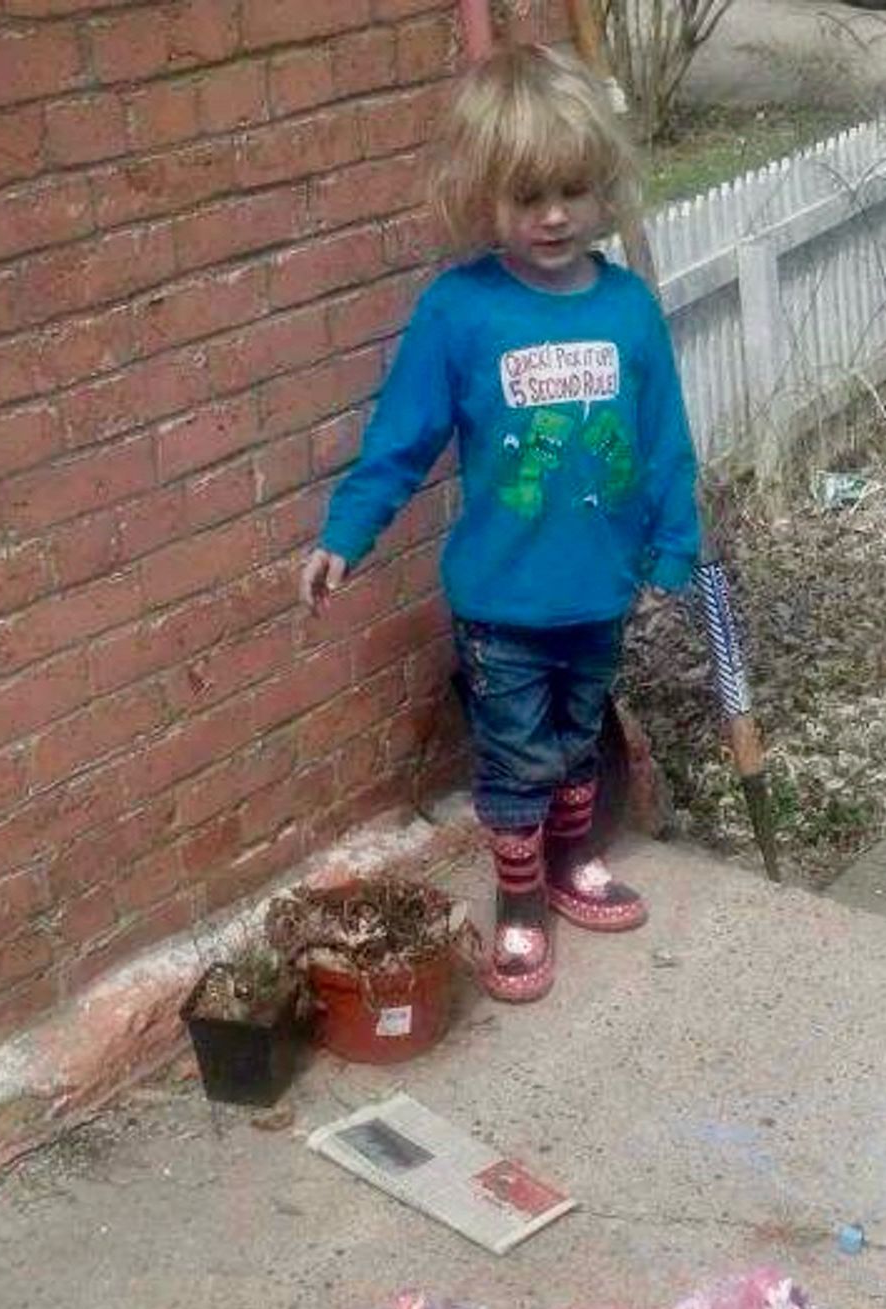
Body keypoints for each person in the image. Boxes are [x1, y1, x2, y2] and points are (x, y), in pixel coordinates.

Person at [301, 43, 699, 1003]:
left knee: (574, 741)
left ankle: (567, 869)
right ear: (484, 197)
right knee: (518, 758)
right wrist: (346, 533)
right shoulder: (460, 312)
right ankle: (520, 905)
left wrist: (676, 541)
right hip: (502, 604)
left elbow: (664, 440)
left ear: (604, 187)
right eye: (527, 196)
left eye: (571, 189)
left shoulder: (629, 308)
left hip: (596, 592)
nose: (553, 215)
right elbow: (400, 440)